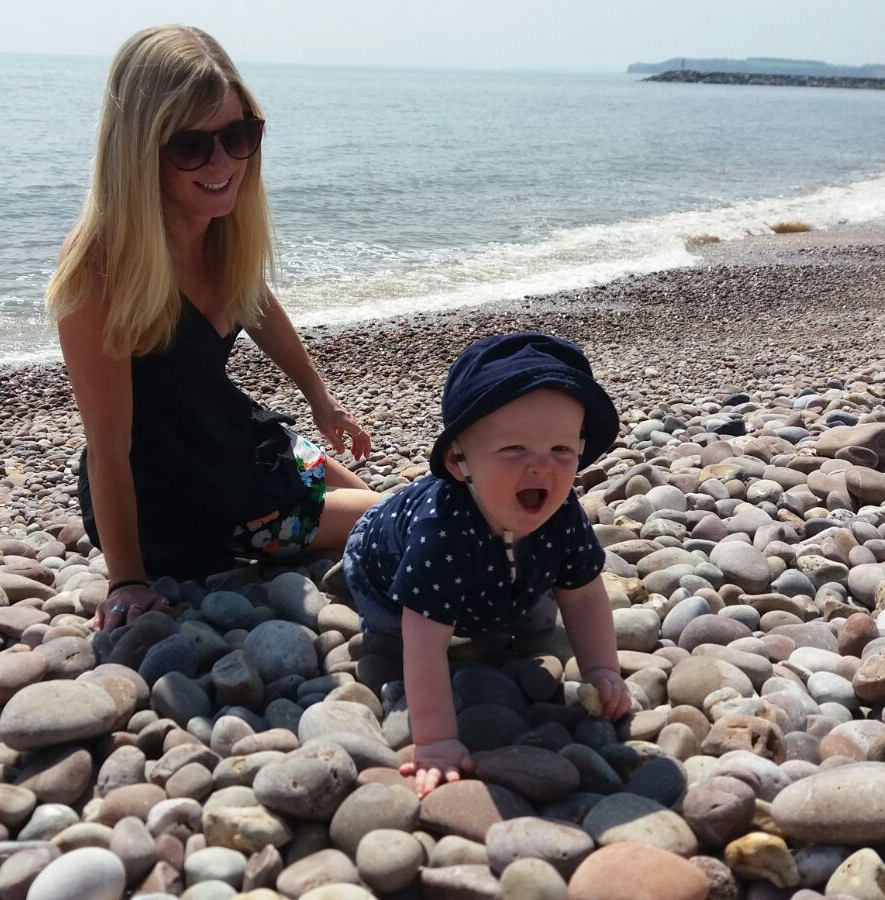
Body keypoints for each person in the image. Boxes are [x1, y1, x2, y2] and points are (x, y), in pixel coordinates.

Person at [45, 25, 379, 632]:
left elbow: (257, 304)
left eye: (237, 135)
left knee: (399, 510)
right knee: (395, 519)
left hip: (237, 443)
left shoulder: (217, 230)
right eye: (192, 146)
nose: (223, 162)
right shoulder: (101, 265)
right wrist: (127, 580)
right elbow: (110, 445)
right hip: (183, 501)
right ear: (140, 149)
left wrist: (320, 399)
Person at [341, 332, 633, 798]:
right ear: (459, 461)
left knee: (539, 615)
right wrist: (436, 740)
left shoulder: (562, 512)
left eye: (561, 450)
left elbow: (583, 596)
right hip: (382, 568)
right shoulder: (442, 529)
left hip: (496, 570)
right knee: (398, 630)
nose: (541, 467)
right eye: (515, 449)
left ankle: (491, 601)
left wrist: (602, 669)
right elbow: (424, 639)